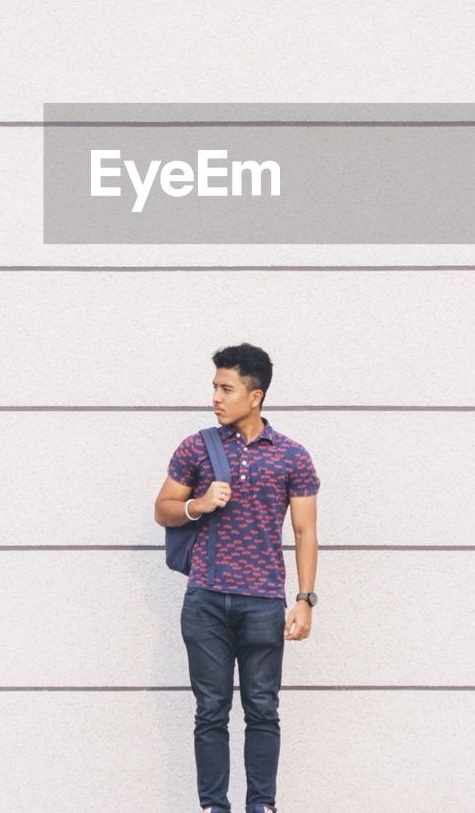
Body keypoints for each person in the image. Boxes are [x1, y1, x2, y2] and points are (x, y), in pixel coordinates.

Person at [153, 343, 321, 813]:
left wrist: (305, 599)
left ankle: (262, 806)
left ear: (256, 395)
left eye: (226, 388)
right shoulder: (197, 447)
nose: (216, 397)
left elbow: (305, 531)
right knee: (210, 711)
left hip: (264, 601)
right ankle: (213, 807)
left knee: (263, 710)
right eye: (214, 387)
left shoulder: (292, 456)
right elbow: (162, 509)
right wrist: (198, 504)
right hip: (205, 597)